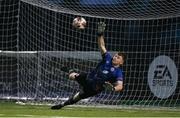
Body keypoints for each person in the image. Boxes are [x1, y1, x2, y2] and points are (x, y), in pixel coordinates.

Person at [51, 22, 126, 110]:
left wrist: (113, 88)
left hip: (93, 89)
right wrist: (100, 34)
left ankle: (62, 105)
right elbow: (102, 46)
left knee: (78, 97)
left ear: (121, 62)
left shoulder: (118, 73)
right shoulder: (108, 58)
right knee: (71, 76)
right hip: (88, 77)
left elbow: (120, 86)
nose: (115, 57)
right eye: (116, 55)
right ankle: (70, 70)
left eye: (118, 57)